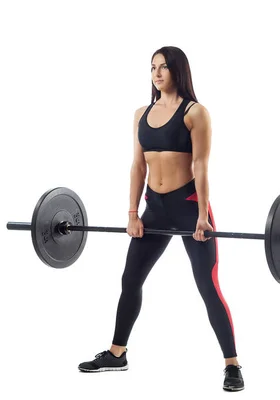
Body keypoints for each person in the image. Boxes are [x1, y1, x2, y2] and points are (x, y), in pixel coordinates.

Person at [77, 46, 244, 392]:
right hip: (154, 208)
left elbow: (200, 165)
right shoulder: (141, 114)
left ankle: (232, 365)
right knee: (130, 279)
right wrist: (131, 213)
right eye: (152, 67)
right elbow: (138, 166)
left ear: (178, 71)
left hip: (188, 206)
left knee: (208, 286)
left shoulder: (196, 113)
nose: (156, 73)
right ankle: (116, 353)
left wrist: (201, 218)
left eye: (163, 67)